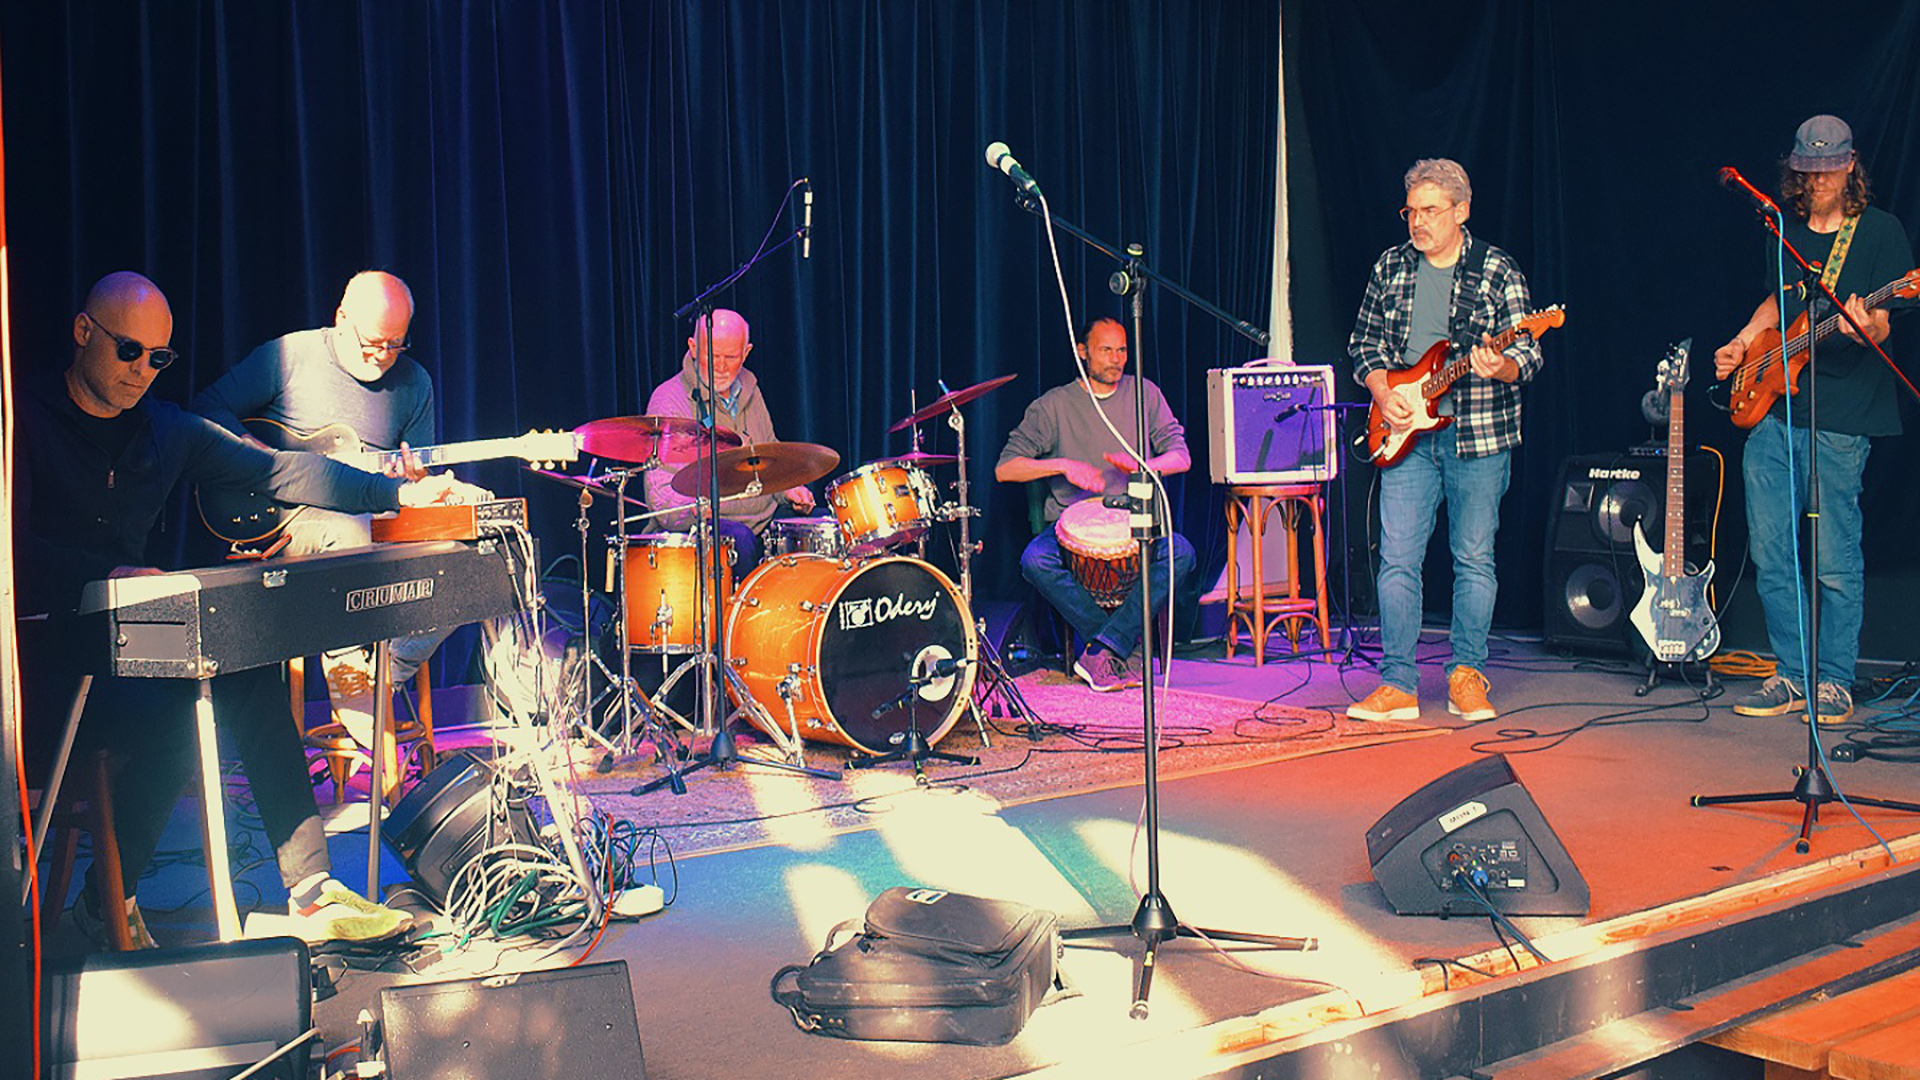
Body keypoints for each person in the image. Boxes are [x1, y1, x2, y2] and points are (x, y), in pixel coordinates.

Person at [16, 271, 481, 946]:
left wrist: (394, 496)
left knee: (244, 665)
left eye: (159, 358)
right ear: (84, 332)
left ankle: (313, 892)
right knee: (182, 709)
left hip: (119, 648)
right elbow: (12, 551)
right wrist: (102, 574)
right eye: (129, 351)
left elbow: (281, 472)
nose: (142, 371)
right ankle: (106, 902)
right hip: (38, 662)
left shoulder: (164, 429)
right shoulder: (22, 419)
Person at [193, 271, 445, 788]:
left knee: (468, 548)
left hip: (372, 519)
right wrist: (258, 458)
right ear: (341, 318)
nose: (383, 355)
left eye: (396, 344)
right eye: (373, 342)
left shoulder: (415, 383)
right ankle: (350, 670)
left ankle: (383, 673)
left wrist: (416, 482)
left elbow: (412, 479)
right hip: (284, 521)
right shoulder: (290, 356)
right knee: (346, 529)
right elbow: (205, 409)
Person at [1713, 115, 1913, 726]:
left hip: (1842, 416)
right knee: (1773, 553)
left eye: (1829, 170)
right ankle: (1792, 674)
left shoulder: (1879, 232)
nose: (1819, 182)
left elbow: (1885, 322)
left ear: (1850, 166)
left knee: (1833, 558)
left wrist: (1867, 324)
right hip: (1775, 409)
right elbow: (1779, 303)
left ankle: (1834, 681)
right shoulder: (1785, 230)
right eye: (1809, 171)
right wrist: (1743, 342)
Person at [1345, 158, 1543, 723]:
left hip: (1478, 436)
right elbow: (1363, 345)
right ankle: (1397, 684)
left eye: (1430, 210)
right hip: (1405, 433)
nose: (1418, 221)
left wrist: (1501, 365)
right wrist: (1384, 392)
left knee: (1474, 558)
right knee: (1397, 561)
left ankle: (1466, 676)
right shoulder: (1390, 266)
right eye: (1411, 210)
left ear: (1461, 211)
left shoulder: (1496, 270)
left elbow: (1528, 353)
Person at [995, 316, 1199, 691]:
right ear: (1082, 352)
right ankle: (1122, 647)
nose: (1116, 359)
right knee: (1034, 561)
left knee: (1182, 553)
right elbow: (1005, 469)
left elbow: (1181, 456)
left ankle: (1102, 648)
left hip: (1135, 523)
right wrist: (1062, 465)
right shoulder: (1053, 406)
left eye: (1122, 350)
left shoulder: (1145, 394)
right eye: (1106, 350)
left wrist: (1145, 466)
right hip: (1069, 528)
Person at [642, 308, 816, 570]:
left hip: (762, 520)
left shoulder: (751, 390)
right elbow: (661, 496)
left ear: (746, 353)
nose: (721, 367)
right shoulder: (669, 400)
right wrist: (693, 509)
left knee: (819, 527)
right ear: (692, 348)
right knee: (739, 540)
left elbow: (769, 459)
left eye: (731, 357)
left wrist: (788, 490)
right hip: (708, 529)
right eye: (712, 356)